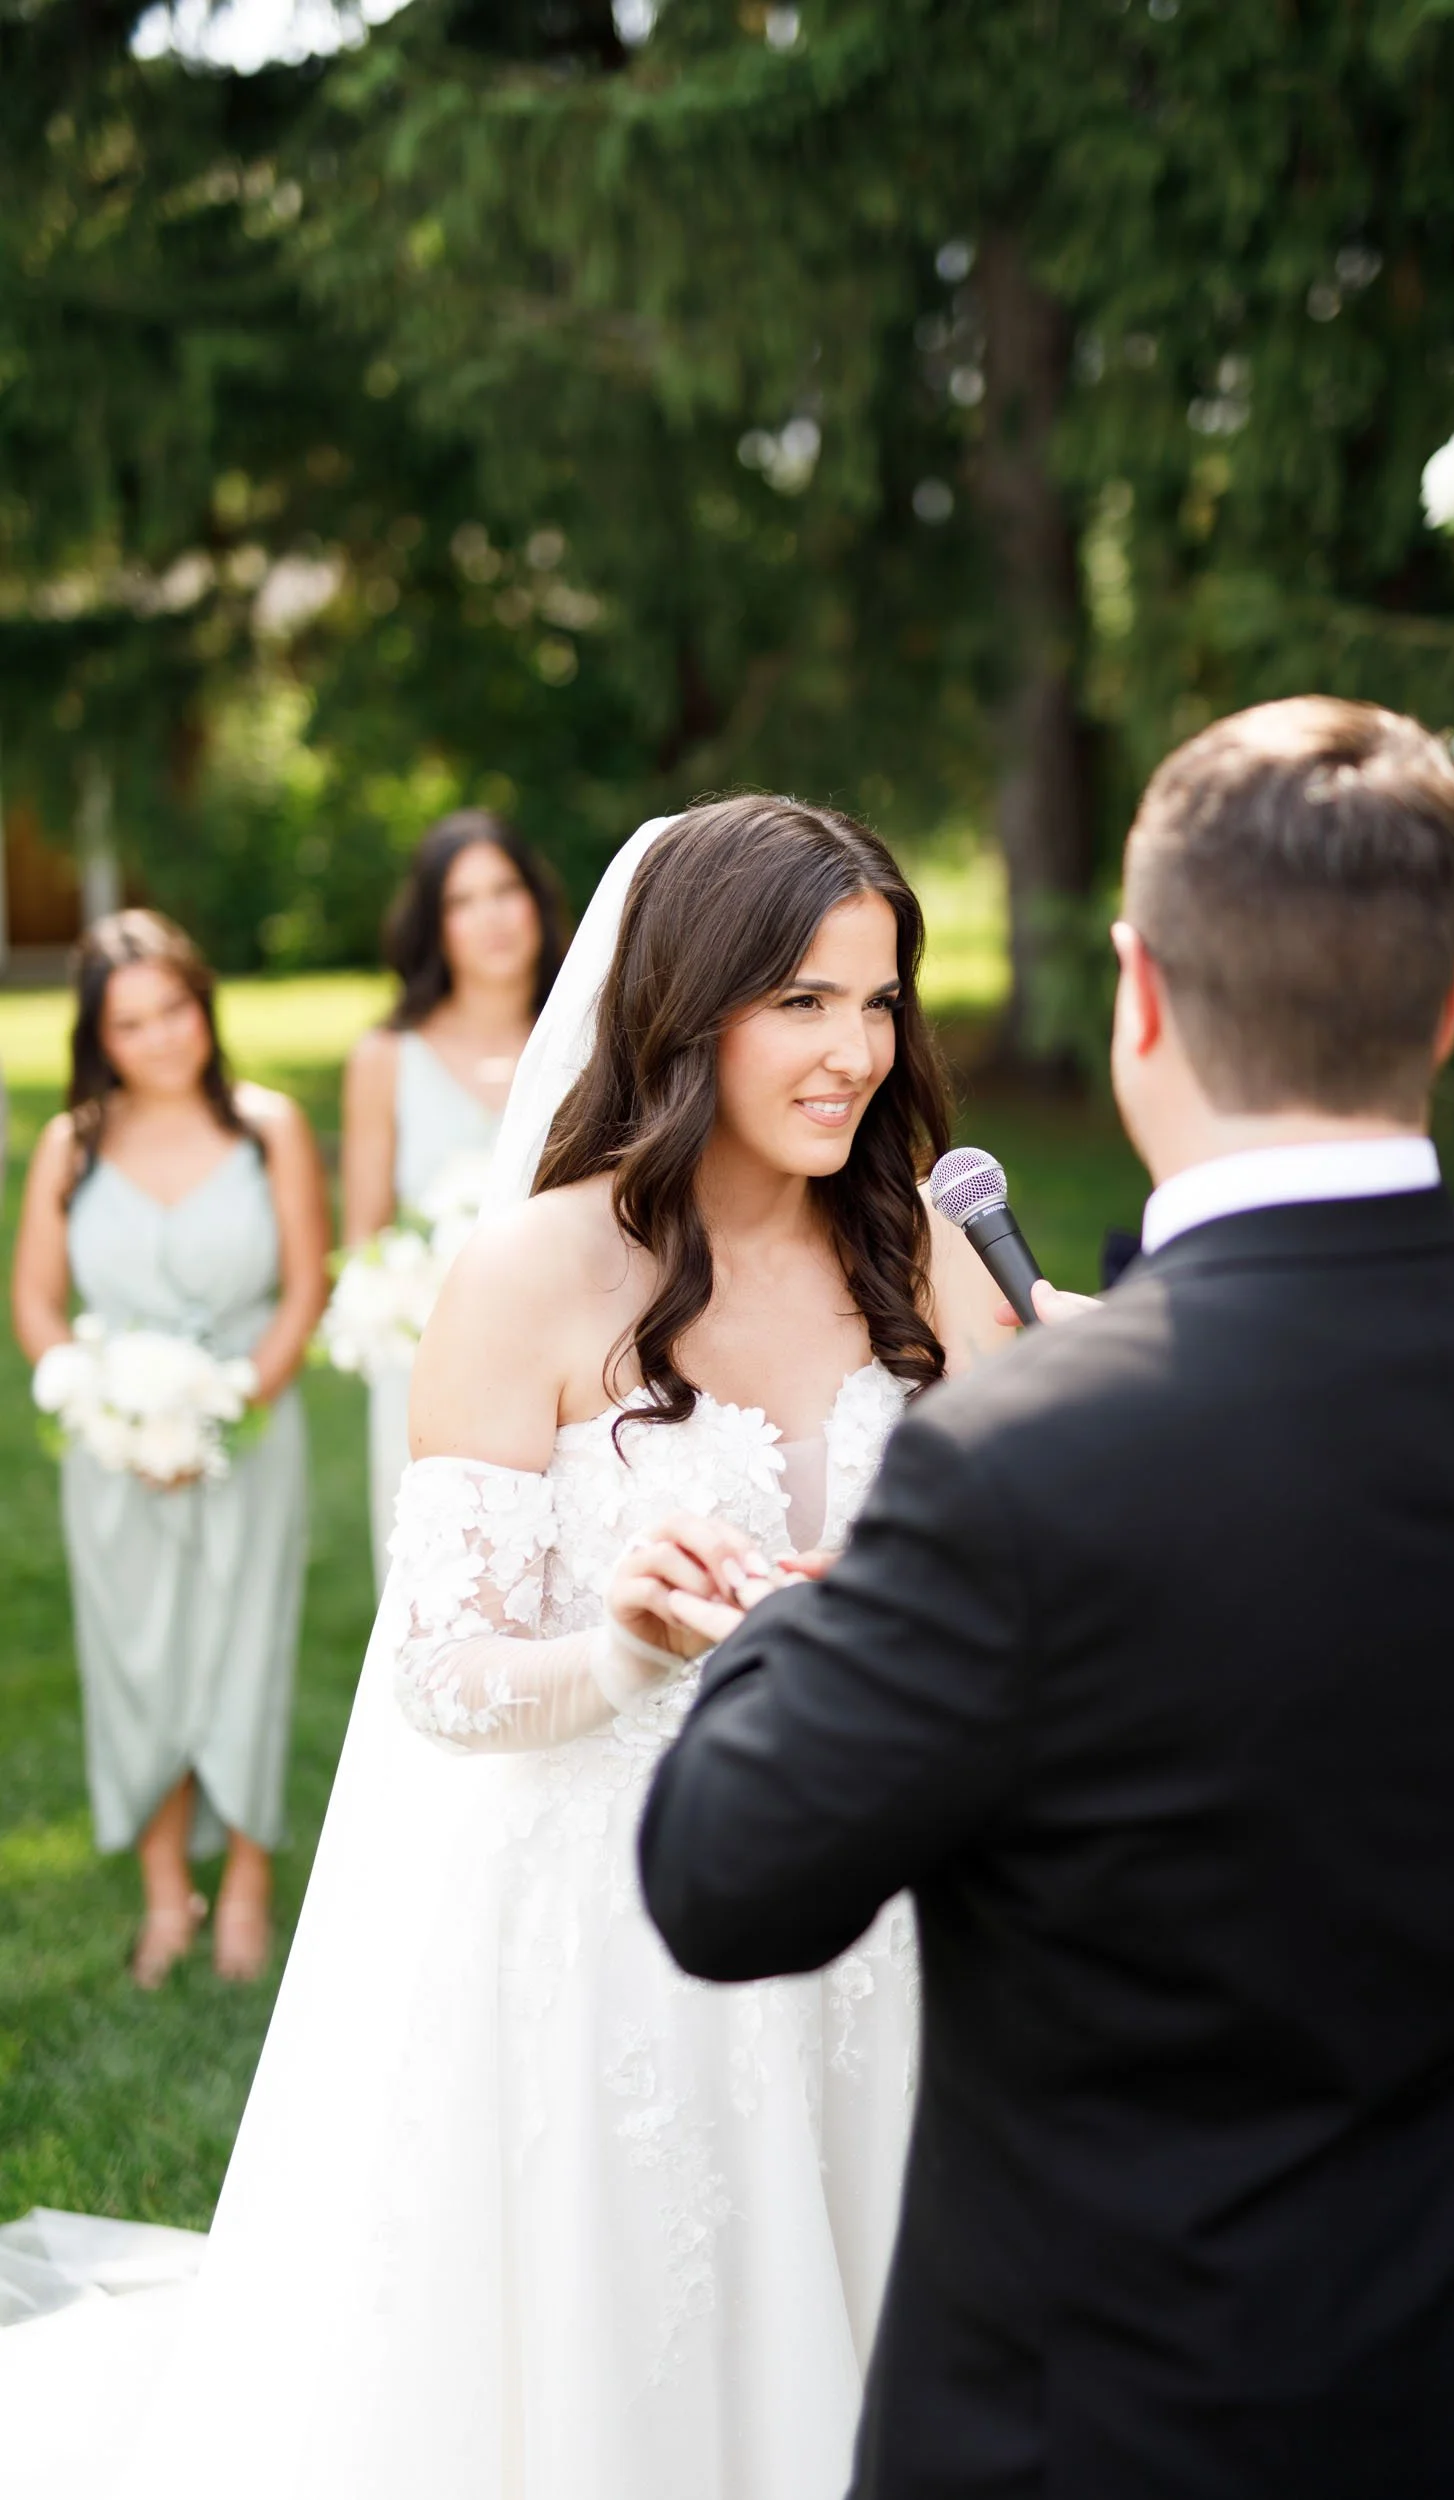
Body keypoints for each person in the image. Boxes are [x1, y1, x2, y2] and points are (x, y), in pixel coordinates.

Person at [640, 700, 1454, 2500]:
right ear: (1448, 1009)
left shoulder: (1004, 1469)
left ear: (1136, 997)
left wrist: (816, 1605)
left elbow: (724, 1879)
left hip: (1099, 2429)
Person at [91, 797, 1007, 2500]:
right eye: (802, 1002)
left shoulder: (920, 1247)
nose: (856, 1053)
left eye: (879, 1003)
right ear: (687, 1005)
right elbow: (443, 1671)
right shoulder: (536, 1270)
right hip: (624, 1938)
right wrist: (618, 1649)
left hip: (891, 1911)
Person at [10, 910, 329, 1986]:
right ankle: (164, 1892)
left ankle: (243, 1882)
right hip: (111, 1453)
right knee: (136, 1659)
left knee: (244, 1646)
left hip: (251, 1431)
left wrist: (231, 1400)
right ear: (101, 1034)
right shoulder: (73, 1142)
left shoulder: (266, 1126)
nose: (161, 1037)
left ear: (204, 1004)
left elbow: (303, 1288)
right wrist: (100, 1405)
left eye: (176, 1008)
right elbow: (37, 1304)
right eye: (131, 1021)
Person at [341, 808, 567, 1582]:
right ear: (433, 925)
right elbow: (365, 1242)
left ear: (536, 901)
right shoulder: (385, 1057)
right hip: (427, 1364)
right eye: (461, 901)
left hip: (572, 1353)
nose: (491, 918)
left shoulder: (592, 1044)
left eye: (505, 890)